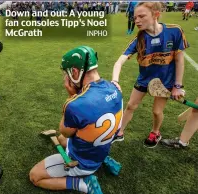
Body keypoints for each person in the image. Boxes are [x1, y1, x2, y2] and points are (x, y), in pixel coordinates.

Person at [29, 46, 123, 193]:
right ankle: (104, 160)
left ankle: (83, 184)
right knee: (61, 139)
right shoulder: (115, 88)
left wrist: (72, 96)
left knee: (35, 176)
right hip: (100, 150)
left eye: (67, 73)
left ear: (74, 72)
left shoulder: (76, 104)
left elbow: (66, 132)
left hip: (83, 163)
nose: (66, 77)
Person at [111, 2, 189, 148]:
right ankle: (119, 132)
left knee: (156, 111)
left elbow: (179, 60)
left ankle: (155, 132)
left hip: (165, 82)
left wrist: (177, 86)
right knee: (131, 105)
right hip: (144, 79)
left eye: (141, 16)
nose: (137, 21)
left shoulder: (175, 31)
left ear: (155, 15)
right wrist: (115, 80)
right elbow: (119, 62)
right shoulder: (139, 39)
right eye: (135, 18)